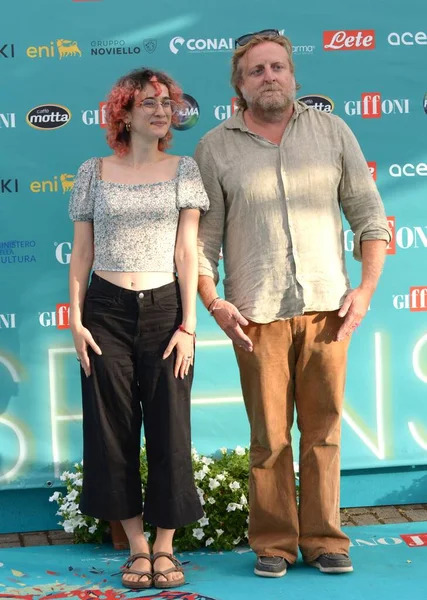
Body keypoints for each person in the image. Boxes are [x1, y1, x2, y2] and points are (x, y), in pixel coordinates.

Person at [195, 30, 390, 577]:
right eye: (256, 70)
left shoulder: (332, 131)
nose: (269, 77)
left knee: (324, 431)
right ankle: (275, 543)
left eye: (277, 66)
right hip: (255, 315)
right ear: (239, 83)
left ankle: (326, 540)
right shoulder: (214, 146)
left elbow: (370, 217)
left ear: (294, 75)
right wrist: (214, 302)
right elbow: (203, 243)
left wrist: (365, 290)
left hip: (329, 308)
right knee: (270, 438)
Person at [68, 67, 209, 590]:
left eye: (166, 102)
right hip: (104, 310)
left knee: (172, 426)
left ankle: (167, 547)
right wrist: (77, 320)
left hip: (165, 311)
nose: (160, 109)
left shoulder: (184, 169)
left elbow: (186, 251)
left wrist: (189, 325)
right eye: (147, 101)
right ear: (123, 112)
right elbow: (81, 252)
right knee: (110, 432)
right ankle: (136, 546)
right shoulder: (93, 170)